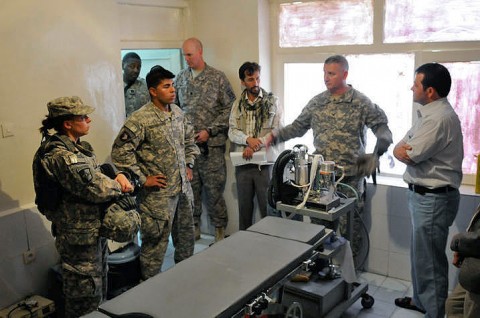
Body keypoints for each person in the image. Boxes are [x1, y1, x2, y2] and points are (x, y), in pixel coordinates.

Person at [265, 55, 393, 264]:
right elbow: (298, 127)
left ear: (345, 74)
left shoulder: (360, 102)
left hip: (349, 178)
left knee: (350, 231)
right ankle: (322, 273)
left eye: (331, 73)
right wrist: (275, 136)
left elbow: (382, 128)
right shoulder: (318, 102)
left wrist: (378, 152)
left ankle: (349, 278)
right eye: (324, 73)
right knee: (320, 229)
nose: (326, 78)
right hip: (321, 179)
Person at [33, 96, 134, 317]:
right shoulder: (60, 156)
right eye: (82, 116)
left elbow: (97, 172)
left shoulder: (79, 149)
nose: (89, 119)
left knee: (99, 291)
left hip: (91, 233)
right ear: (67, 123)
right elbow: (95, 188)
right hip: (78, 240)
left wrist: (116, 173)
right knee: (84, 298)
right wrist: (122, 185)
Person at [111, 65, 200, 280]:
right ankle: (149, 292)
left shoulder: (178, 113)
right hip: (156, 198)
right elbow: (120, 152)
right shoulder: (140, 119)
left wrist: (188, 164)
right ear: (153, 91)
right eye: (166, 87)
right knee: (154, 249)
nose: (172, 90)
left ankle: (185, 282)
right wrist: (142, 180)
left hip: (182, 192)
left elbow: (190, 141)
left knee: (187, 242)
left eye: (173, 86)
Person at [393, 63, 464, 317]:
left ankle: (434, 311)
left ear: (430, 91)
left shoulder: (439, 119)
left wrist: (401, 150)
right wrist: (400, 149)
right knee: (421, 256)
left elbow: (410, 154)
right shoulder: (429, 115)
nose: (411, 87)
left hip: (433, 199)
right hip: (424, 197)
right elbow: (401, 145)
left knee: (431, 262)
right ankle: (422, 302)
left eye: (416, 83)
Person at [174, 37, 236, 241]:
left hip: (212, 148)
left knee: (214, 191)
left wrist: (210, 130)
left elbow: (231, 109)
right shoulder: (180, 78)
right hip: (188, 148)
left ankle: (219, 231)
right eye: (184, 55)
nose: (187, 59)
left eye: (190, 55)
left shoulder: (217, 78)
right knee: (190, 191)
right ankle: (194, 229)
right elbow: (173, 109)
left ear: (200, 52)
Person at [228, 62, 281, 230]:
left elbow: (277, 130)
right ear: (243, 81)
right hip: (243, 164)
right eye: (250, 79)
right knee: (244, 208)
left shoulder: (272, 101)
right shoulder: (237, 104)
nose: (256, 83)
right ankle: (244, 245)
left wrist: (255, 145)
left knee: (268, 207)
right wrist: (247, 140)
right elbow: (232, 131)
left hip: (264, 164)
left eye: (258, 78)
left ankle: (270, 244)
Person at [446, 204, 480, 317]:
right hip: (474, 270)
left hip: (477, 276)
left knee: (471, 312)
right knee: (453, 305)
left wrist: (458, 242)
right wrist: (462, 250)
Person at [122, 52, 150, 117]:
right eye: (132, 66)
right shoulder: (114, 86)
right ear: (123, 65)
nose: (136, 70)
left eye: (138, 67)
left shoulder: (146, 86)